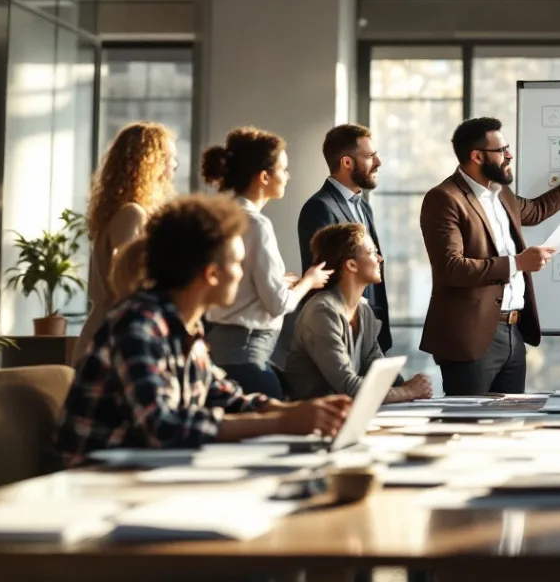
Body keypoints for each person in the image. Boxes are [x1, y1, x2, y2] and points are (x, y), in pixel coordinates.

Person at [55, 195, 351, 468]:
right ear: (211, 274)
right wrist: (281, 423)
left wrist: (300, 412)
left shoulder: (186, 327)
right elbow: (163, 426)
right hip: (96, 483)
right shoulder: (138, 324)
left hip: (144, 475)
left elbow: (228, 398)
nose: (239, 273)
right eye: (238, 263)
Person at [419, 117, 560, 395]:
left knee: (508, 425)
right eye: (502, 150)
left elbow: (536, 210)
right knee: (470, 426)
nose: (509, 155)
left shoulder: (501, 194)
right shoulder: (445, 198)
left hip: (513, 332)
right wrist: (518, 263)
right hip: (470, 337)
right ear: (476, 156)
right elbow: (451, 267)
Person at [200, 127, 332, 398]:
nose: (287, 176)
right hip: (247, 361)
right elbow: (277, 304)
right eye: (283, 169)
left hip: (215, 355)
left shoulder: (220, 217)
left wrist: (281, 282)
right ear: (263, 177)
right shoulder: (257, 225)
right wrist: (308, 281)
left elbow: (238, 286)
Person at [287, 223, 432, 402]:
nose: (379, 258)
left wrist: (408, 386)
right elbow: (349, 387)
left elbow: (379, 370)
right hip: (314, 420)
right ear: (352, 265)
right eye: (371, 252)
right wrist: (409, 392)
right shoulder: (322, 312)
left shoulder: (364, 311)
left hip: (347, 415)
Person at [71, 122, 178, 365]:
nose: (174, 165)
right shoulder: (133, 214)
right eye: (170, 158)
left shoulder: (125, 212)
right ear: (152, 163)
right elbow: (128, 280)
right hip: (111, 336)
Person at [298, 124, 393, 354]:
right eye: (370, 156)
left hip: (369, 332)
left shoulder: (364, 207)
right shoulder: (319, 208)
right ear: (347, 162)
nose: (378, 162)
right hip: (343, 335)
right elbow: (324, 279)